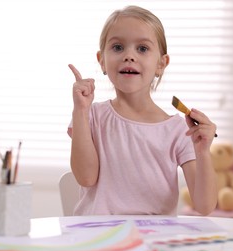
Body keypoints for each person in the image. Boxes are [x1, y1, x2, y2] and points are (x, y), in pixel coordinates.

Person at [67, 5, 217, 216]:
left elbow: (205, 205)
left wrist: (203, 152)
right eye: (118, 47)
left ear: (161, 64)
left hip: (153, 241)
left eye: (142, 49)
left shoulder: (178, 130)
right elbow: (86, 178)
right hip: (99, 236)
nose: (129, 55)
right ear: (102, 61)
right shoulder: (91, 115)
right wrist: (80, 111)